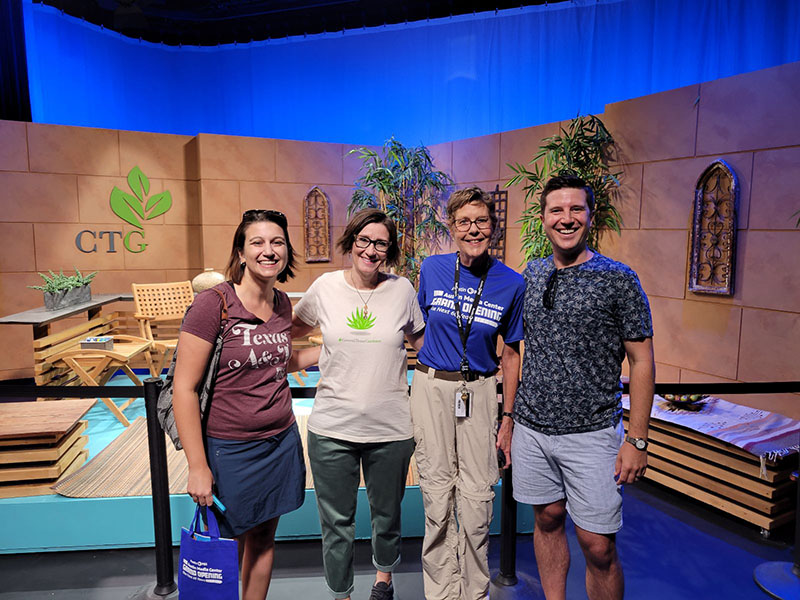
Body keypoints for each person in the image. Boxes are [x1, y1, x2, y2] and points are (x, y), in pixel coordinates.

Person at [511, 175, 655, 600]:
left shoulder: (618, 279)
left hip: (592, 434)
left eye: (576, 209)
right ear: (543, 219)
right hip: (533, 430)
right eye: (557, 210)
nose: (566, 218)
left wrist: (638, 440)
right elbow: (516, 348)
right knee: (548, 520)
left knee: (598, 545)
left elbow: (642, 360)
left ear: (590, 216)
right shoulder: (532, 274)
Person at [173, 209, 319, 600]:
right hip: (229, 449)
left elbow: (272, 361)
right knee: (227, 543)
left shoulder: (284, 303)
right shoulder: (213, 304)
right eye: (257, 242)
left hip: (280, 442)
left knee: (264, 539)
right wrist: (198, 466)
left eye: (277, 242)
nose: (268, 251)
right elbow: (183, 389)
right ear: (240, 252)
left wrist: (326, 351)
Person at [292, 208, 425, 600]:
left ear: (390, 249)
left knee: (387, 515)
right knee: (337, 523)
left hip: (391, 428)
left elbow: (424, 344)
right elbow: (290, 332)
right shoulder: (325, 287)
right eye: (363, 240)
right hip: (332, 427)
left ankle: (384, 582)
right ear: (351, 243)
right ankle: (342, 594)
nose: (370, 249)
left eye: (380, 243)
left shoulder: (402, 290)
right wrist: (300, 359)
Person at [411, 186, 525, 600]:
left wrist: (507, 418)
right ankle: (442, 593)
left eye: (481, 221)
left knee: (477, 500)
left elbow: (511, 356)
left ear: (493, 227)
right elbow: (418, 326)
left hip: (478, 391)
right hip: (431, 388)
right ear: (451, 227)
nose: (473, 229)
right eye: (464, 222)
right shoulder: (433, 268)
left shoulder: (512, 283)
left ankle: (474, 593)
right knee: (437, 496)